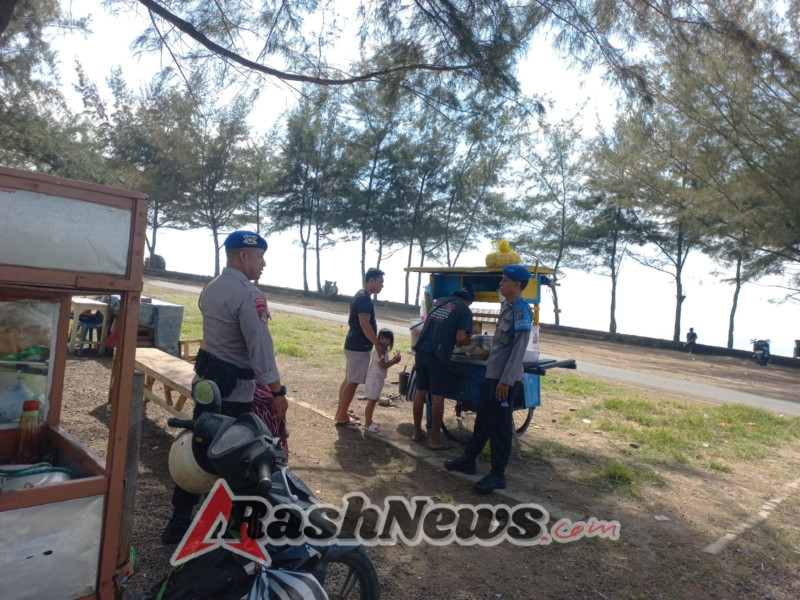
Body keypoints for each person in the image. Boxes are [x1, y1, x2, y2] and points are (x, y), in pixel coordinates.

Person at [162, 230, 287, 543]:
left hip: (207, 385)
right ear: (243, 256)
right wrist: (276, 391)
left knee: (199, 449)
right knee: (237, 459)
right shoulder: (249, 295)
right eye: (260, 256)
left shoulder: (212, 287)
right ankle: (232, 531)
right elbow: (260, 346)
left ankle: (178, 521)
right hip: (234, 394)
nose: (264, 263)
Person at [444, 265, 532, 494]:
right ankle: (468, 459)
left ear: (517, 285)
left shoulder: (521, 310)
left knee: (500, 428)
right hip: (492, 377)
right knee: (483, 419)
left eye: (505, 281)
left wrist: (506, 381)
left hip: (504, 380)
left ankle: (497, 476)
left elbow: (518, 349)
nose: (501, 284)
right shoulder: (507, 306)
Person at [411, 287, 474, 450]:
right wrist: (466, 340)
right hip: (437, 355)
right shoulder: (464, 310)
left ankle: (417, 433)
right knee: (438, 398)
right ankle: (435, 440)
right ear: (468, 301)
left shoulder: (439, 302)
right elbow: (460, 337)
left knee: (420, 393)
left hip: (421, 351)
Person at [335, 268, 385, 427]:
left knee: (349, 379)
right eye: (380, 282)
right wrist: (377, 344)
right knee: (353, 381)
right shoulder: (363, 298)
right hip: (358, 346)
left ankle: (341, 411)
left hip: (355, 344)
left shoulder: (362, 295)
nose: (382, 286)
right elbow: (365, 324)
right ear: (371, 281)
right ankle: (342, 417)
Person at [362, 328, 402, 433]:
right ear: (378, 338)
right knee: (371, 401)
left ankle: (369, 421)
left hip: (378, 378)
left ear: (391, 342)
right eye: (382, 338)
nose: (384, 341)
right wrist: (394, 361)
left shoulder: (383, 351)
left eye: (387, 339)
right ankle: (367, 424)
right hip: (374, 379)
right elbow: (382, 365)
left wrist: (393, 360)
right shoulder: (379, 351)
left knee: (374, 400)